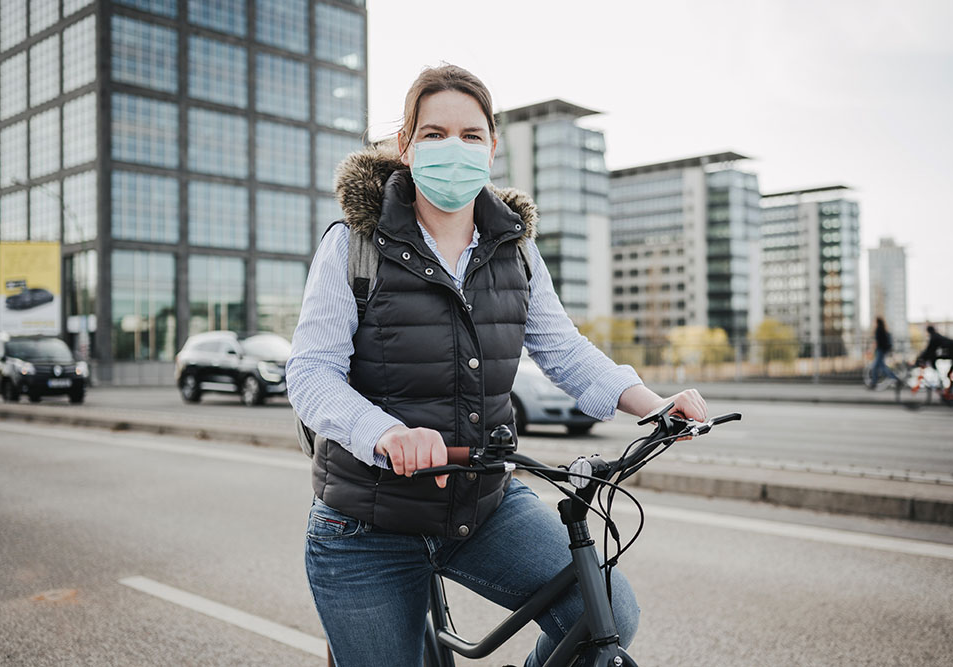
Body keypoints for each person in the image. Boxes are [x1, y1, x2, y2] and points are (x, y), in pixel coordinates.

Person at [285, 64, 708, 667]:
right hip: (366, 525)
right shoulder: (353, 244)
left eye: (470, 134)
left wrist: (654, 404)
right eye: (433, 134)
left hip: (481, 504)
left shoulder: (515, 249)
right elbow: (310, 374)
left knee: (606, 615)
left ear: (491, 147)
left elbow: (563, 350)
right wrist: (387, 433)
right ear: (405, 147)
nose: (452, 148)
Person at [915, 325, 953, 394]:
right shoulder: (936, 336)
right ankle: (949, 390)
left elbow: (929, 350)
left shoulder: (934, 338)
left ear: (928, 331)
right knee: (947, 373)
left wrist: (921, 358)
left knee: (947, 373)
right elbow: (931, 351)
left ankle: (951, 390)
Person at [868, 317, 899, 388]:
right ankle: (895, 379)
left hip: (880, 350)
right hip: (883, 350)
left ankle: (874, 383)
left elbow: (877, 342)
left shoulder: (878, 330)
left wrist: (872, 350)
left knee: (876, 367)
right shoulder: (883, 329)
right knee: (881, 367)